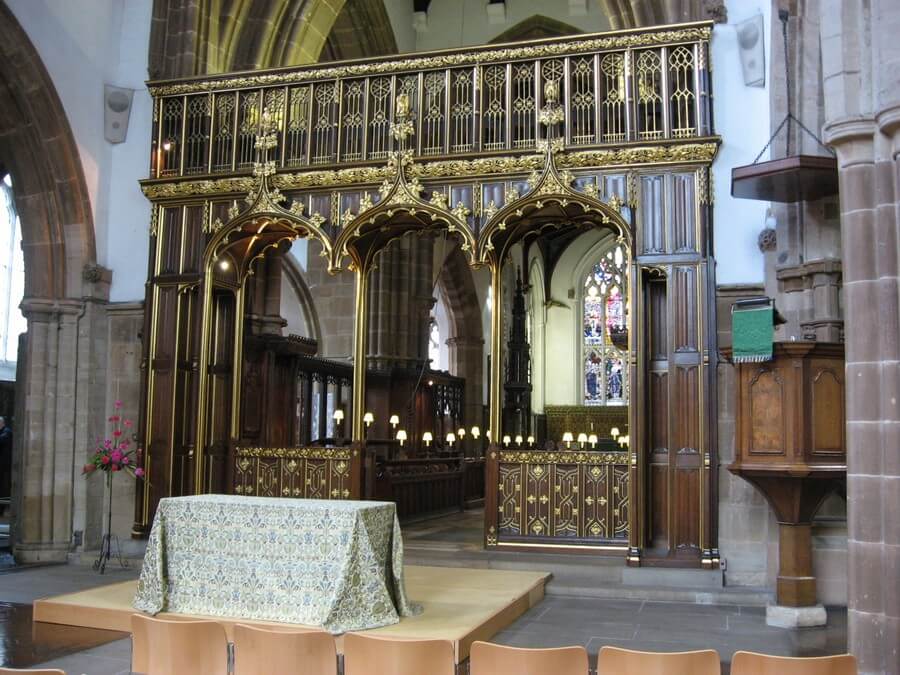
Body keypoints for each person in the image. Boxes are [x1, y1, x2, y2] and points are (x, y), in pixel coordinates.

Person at [0, 416, 10, 499]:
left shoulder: (7, 431)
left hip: (5, 464)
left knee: (4, 485)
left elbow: (2, 439)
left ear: (2, 423)